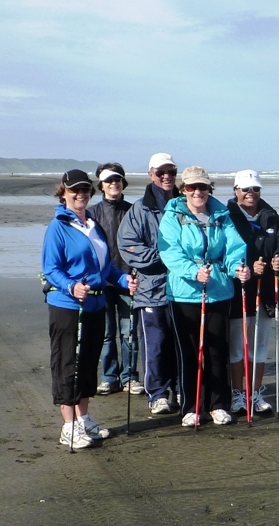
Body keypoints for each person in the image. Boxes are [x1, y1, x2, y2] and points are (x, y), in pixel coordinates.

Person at [42, 169, 138, 449]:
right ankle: (68, 425)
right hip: (68, 306)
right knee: (66, 363)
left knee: (88, 362)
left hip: (95, 303)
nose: (80, 194)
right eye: (74, 190)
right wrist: (72, 287)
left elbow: (105, 268)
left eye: (85, 190)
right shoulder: (57, 227)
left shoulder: (93, 225)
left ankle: (83, 419)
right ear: (64, 193)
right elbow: (51, 269)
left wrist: (124, 281)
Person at [158, 166, 250, 426]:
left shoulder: (222, 214)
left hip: (218, 290)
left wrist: (238, 268)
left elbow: (234, 248)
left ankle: (218, 404)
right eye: (191, 187)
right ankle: (191, 406)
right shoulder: (173, 215)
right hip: (185, 292)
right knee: (189, 351)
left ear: (210, 188)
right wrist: (193, 271)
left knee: (218, 350)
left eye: (202, 187)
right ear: (183, 189)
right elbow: (169, 252)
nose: (197, 192)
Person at [118, 152, 180, 415]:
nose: (166, 177)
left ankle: (179, 388)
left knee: (180, 343)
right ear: (151, 175)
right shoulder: (139, 209)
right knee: (154, 346)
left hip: (182, 289)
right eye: (160, 172)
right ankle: (157, 394)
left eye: (171, 172)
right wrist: (167, 257)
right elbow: (128, 246)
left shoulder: (183, 204)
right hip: (150, 291)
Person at [226, 169, 279, 414]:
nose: (250, 193)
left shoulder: (272, 217)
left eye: (255, 189)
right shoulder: (227, 216)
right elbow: (225, 250)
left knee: (260, 345)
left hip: (265, 290)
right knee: (237, 346)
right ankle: (236, 393)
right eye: (245, 189)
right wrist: (248, 264)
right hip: (237, 289)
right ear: (236, 191)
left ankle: (254, 393)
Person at [90, 162, 143, 397]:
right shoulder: (92, 213)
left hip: (128, 279)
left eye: (118, 179)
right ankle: (109, 376)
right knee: (107, 332)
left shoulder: (134, 211)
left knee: (129, 331)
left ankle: (130, 376)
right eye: (109, 180)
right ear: (101, 185)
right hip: (102, 281)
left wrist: (137, 272)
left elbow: (143, 242)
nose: (114, 183)